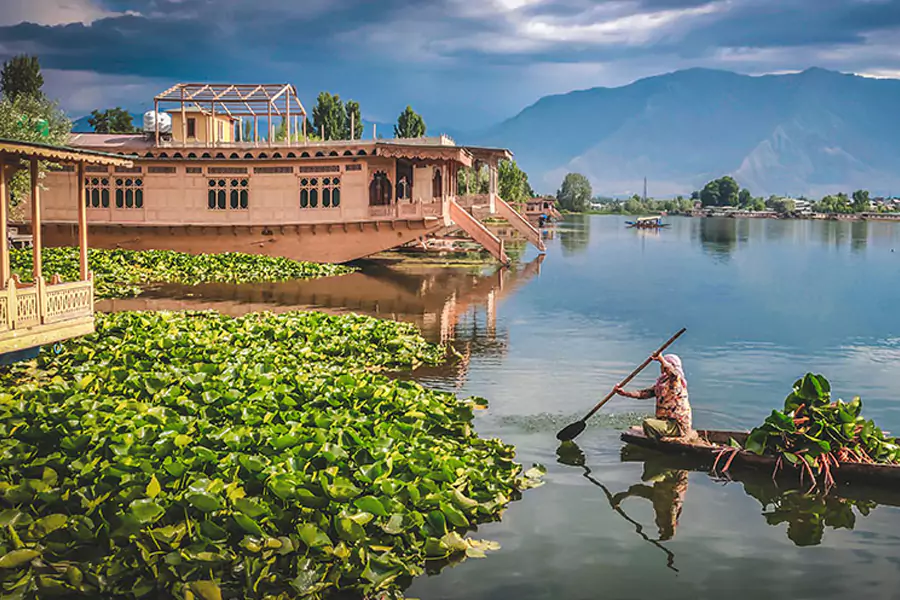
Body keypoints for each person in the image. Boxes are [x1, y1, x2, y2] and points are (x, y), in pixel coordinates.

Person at [614, 354, 693, 441]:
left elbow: (673, 373)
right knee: (648, 424)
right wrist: (625, 393)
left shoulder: (676, 381)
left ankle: (657, 442)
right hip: (666, 422)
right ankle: (657, 434)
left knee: (647, 423)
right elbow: (643, 394)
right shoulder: (662, 383)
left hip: (677, 426)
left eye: (662, 365)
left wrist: (661, 359)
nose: (661, 367)